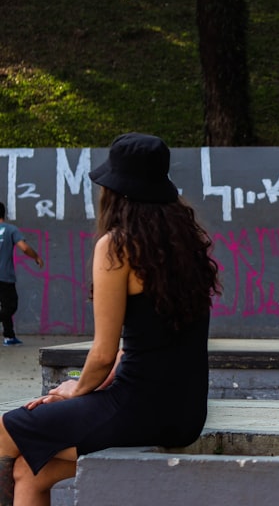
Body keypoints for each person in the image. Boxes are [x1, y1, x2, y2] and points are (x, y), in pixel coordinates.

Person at [0, 132, 219, 505]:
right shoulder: (187, 244)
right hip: (186, 413)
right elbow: (144, 342)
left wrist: (76, 390)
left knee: (4, 431)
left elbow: (103, 353)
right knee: (28, 472)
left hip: (135, 409)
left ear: (115, 191)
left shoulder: (117, 246)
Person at [0, 204, 43, 347]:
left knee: (5, 307)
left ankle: (9, 336)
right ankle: (9, 336)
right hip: (4, 276)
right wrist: (36, 256)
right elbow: (24, 247)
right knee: (10, 306)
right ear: (4, 214)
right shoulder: (10, 229)